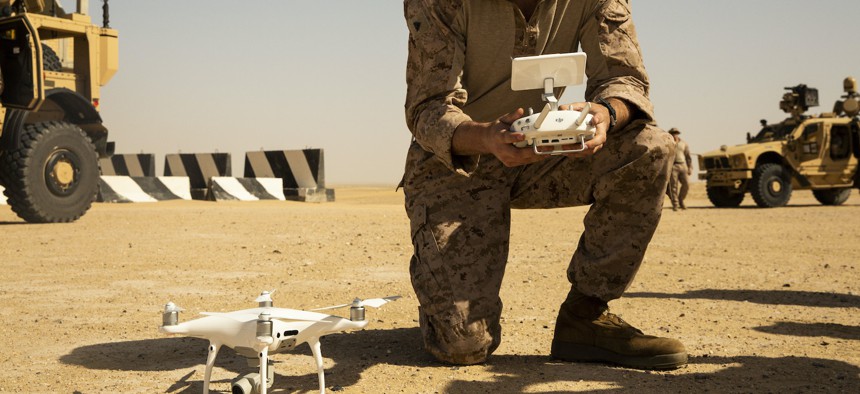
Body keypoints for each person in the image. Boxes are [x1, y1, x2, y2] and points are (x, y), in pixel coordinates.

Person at [401, 0, 686, 370]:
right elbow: (427, 108)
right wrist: (487, 138)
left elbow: (626, 79)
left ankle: (585, 317)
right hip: (457, 160)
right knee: (463, 346)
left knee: (649, 148)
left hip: (542, 152)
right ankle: (442, 315)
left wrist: (605, 114)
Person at [667, 128, 692, 211]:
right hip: (672, 166)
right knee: (673, 186)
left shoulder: (684, 143)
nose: (674, 135)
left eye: (676, 133)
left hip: (683, 165)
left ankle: (681, 200)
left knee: (686, 184)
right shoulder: (667, 143)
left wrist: (690, 167)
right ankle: (675, 204)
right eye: (672, 133)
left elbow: (688, 157)